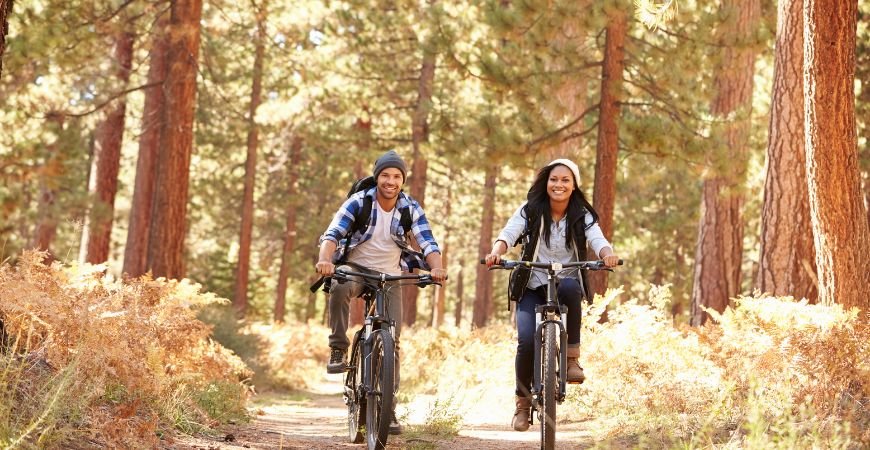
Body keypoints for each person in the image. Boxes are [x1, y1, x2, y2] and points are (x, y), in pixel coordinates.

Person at [315, 149, 447, 435]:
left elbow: (428, 243)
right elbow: (332, 234)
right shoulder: (359, 202)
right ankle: (338, 347)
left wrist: (436, 268)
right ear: (377, 177)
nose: (391, 181)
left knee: (393, 340)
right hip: (356, 269)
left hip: (391, 275)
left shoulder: (410, 207)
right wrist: (326, 260)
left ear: (402, 180)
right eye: (385, 175)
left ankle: (388, 409)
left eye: (396, 176)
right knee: (339, 286)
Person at [483, 158, 620, 432]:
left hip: (564, 280)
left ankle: (571, 359)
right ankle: (522, 405)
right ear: (546, 183)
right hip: (532, 283)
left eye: (565, 180)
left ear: (574, 185)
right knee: (525, 342)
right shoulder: (531, 210)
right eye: (554, 179)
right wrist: (497, 253)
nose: (559, 184)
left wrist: (608, 255)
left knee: (571, 287)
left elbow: (598, 240)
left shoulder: (582, 214)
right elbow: (509, 234)